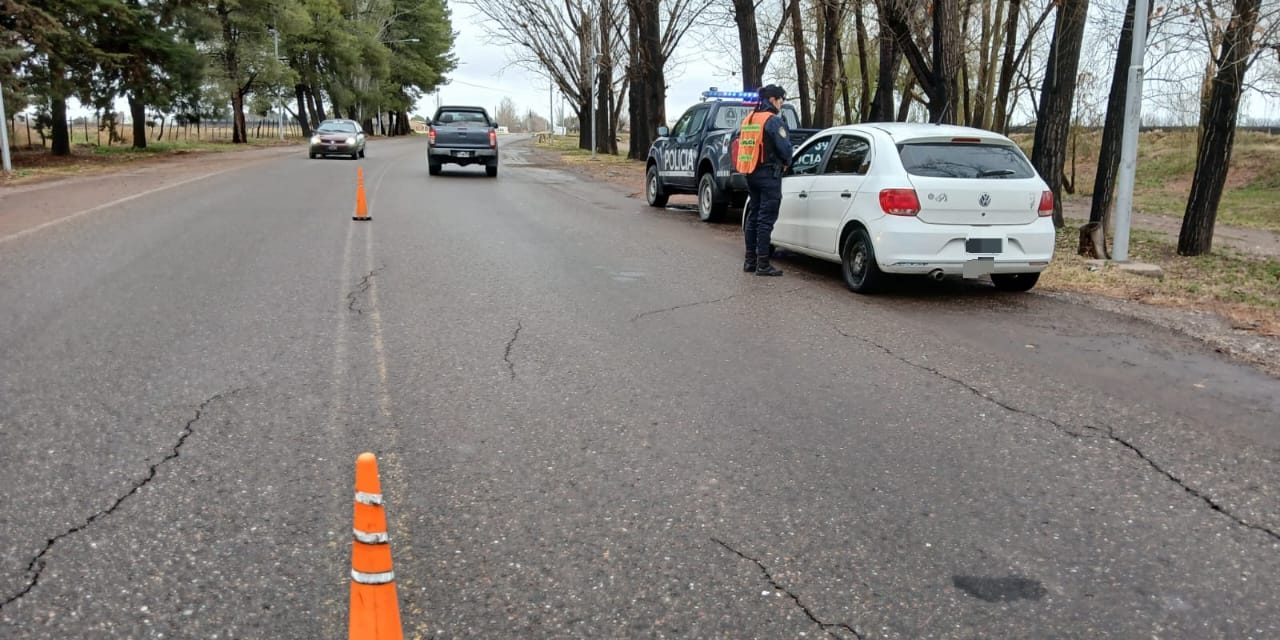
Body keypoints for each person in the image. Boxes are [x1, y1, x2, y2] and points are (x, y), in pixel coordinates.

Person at [735, 84, 794, 276]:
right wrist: (787, 161)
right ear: (772, 100)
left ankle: (749, 261)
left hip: (751, 173)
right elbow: (785, 149)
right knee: (765, 220)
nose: (781, 104)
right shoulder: (772, 121)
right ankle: (763, 264)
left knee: (753, 217)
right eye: (780, 100)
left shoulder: (749, 119)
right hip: (769, 174)